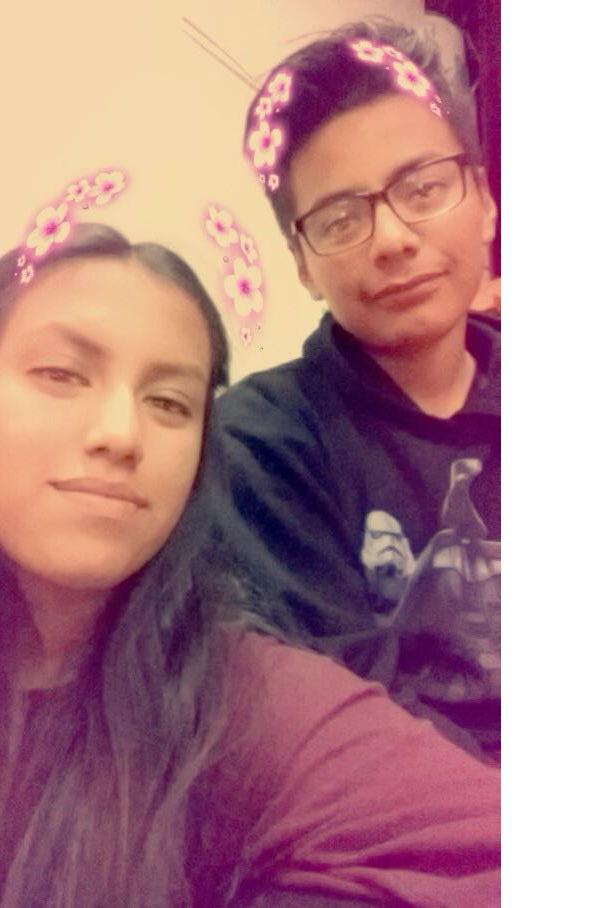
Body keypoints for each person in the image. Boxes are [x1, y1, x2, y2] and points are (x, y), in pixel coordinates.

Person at [0, 221, 500, 906]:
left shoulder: (245, 705)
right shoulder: (287, 429)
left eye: (169, 402)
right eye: (60, 374)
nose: (120, 434)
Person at [213, 19, 501, 763]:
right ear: (302, 264)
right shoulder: (262, 444)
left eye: (424, 188)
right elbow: (346, 728)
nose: (394, 239)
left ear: (485, 200)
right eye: (341, 219)